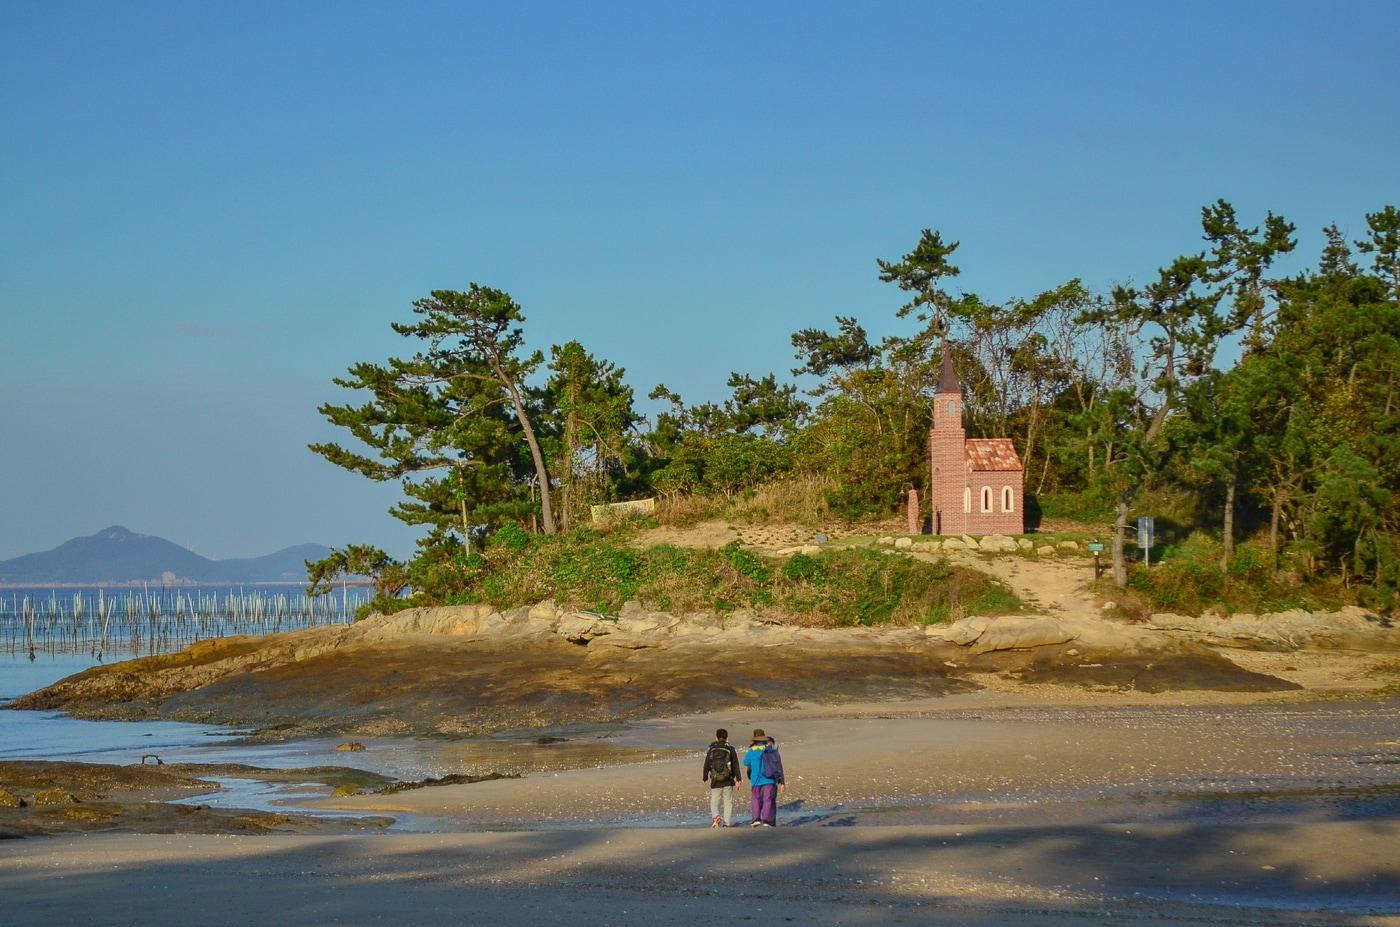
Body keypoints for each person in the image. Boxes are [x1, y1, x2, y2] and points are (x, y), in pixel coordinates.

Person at [742, 728, 785, 827]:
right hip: (769, 778)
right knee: (768, 800)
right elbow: (777, 763)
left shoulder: (751, 751)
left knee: (755, 799)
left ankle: (756, 819)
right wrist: (781, 781)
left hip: (756, 779)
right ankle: (766, 820)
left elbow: (746, 762)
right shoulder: (769, 749)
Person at [701, 727, 742, 827]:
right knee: (728, 801)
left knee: (714, 800)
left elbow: (707, 763)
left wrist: (705, 777)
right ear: (727, 738)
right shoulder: (730, 749)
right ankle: (726, 823)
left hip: (715, 780)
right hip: (728, 779)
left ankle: (716, 816)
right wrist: (739, 779)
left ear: (716, 737)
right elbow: (735, 764)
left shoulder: (712, 749)